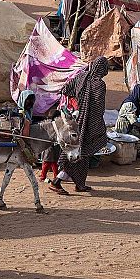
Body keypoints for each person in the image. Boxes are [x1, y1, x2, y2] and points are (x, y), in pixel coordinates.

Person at [50, 57, 108, 195]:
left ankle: (80, 184)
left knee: (81, 153)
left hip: (77, 120)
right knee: (80, 152)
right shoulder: (99, 84)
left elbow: (65, 89)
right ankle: (56, 182)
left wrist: (76, 104)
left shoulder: (81, 77)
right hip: (90, 124)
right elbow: (99, 108)